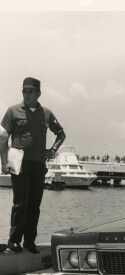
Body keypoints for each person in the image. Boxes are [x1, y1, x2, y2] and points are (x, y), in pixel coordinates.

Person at [0, 77, 66, 254]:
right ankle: (14, 242)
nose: (26, 94)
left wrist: (52, 150)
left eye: (30, 91)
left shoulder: (46, 113)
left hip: (38, 164)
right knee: (20, 203)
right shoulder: (12, 111)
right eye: (24, 90)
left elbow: (61, 134)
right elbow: (3, 138)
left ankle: (29, 241)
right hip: (18, 163)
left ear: (38, 93)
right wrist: (3, 161)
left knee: (34, 205)